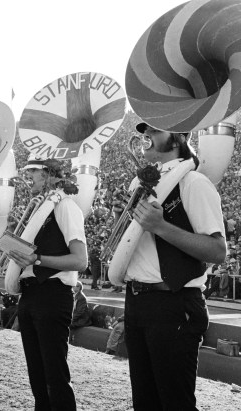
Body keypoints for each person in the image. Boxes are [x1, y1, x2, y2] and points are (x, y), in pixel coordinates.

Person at [122, 123, 226, 410]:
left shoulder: (194, 182)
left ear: (179, 136)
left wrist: (160, 226)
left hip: (173, 304)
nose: (147, 137)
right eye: (146, 132)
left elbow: (218, 250)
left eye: (155, 131)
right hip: (138, 301)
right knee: (145, 402)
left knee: (175, 404)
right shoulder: (139, 184)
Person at [8, 156, 87, 411]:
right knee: (38, 375)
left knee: (55, 376)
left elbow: (80, 260)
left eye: (33, 172)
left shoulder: (65, 206)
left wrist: (37, 259)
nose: (27, 176)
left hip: (52, 295)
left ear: (49, 175)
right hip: (32, 294)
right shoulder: (41, 208)